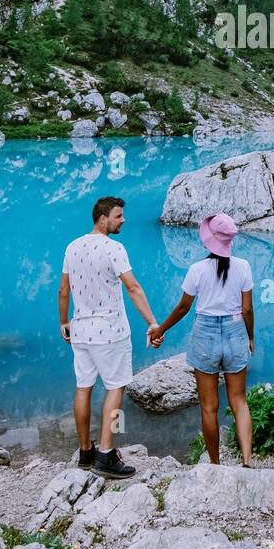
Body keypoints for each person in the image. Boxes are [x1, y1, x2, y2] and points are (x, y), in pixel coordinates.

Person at [59, 195, 161, 480]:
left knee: (83, 387)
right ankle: (106, 453)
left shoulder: (72, 247)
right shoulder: (114, 248)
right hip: (111, 333)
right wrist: (152, 322)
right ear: (103, 218)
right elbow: (133, 288)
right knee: (115, 388)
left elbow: (63, 290)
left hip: (80, 331)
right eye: (118, 216)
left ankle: (84, 451)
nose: (123, 220)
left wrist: (64, 321)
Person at [150, 212, 254, 466]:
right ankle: (248, 460)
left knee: (209, 407)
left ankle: (216, 464)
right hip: (235, 331)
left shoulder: (197, 270)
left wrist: (160, 329)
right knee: (239, 400)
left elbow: (183, 308)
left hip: (205, 336)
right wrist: (250, 338)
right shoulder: (243, 267)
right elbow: (247, 310)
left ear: (208, 241)